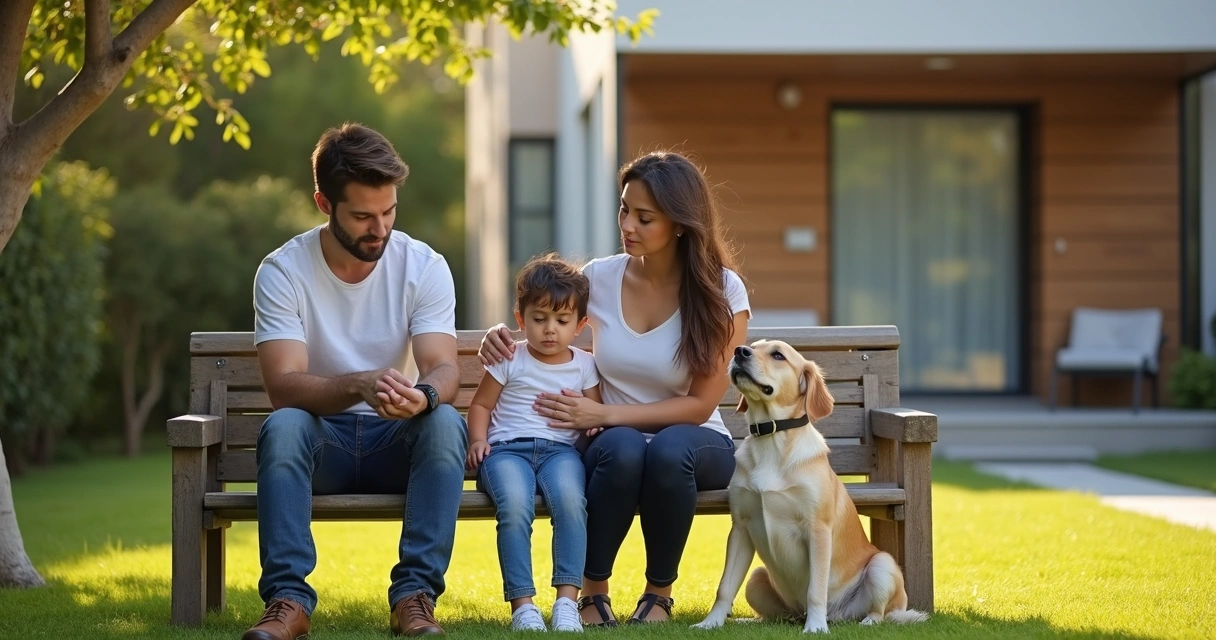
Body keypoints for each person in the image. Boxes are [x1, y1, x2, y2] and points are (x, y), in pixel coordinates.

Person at [480, 151, 750, 626]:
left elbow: (701, 403)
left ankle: (657, 595)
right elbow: (546, 316)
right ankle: (592, 592)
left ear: (682, 224)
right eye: (624, 209)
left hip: (694, 441)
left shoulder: (722, 291)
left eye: (644, 217)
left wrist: (604, 415)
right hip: (612, 445)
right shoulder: (600, 277)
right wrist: (499, 336)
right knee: (624, 447)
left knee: (667, 448)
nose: (627, 224)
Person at [243, 123, 466, 640]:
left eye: (389, 212)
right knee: (285, 425)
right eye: (363, 216)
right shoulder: (282, 271)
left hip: (396, 445)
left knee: (444, 423)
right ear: (324, 203)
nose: (380, 229)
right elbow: (283, 385)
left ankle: (414, 598)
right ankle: (288, 603)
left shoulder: (424, 266)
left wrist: (423, 396)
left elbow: (444, 368)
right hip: (325, 446)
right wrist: (359, 385)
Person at [465, 253, 603, 632]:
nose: (549, 330)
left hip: (561, 454)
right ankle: (523, 606)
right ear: (521, 319)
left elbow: (595, 411)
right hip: (507, 452)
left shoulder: (585, 364)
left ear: (580, 325)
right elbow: (481, 404)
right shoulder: (511, 357)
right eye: (539, 319)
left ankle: (566, 604)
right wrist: (477, 440)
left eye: (562, 320)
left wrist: (592, 423)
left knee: (572, 504)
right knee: (514, 506)